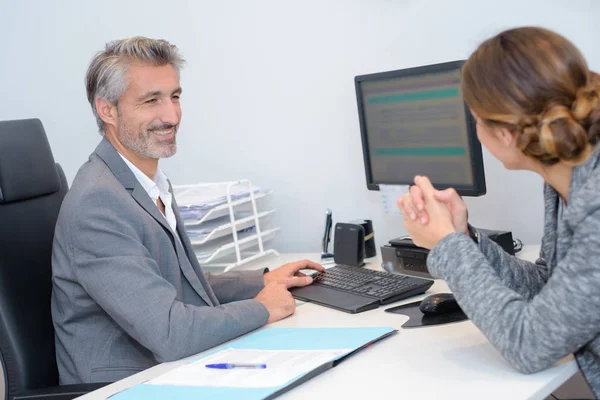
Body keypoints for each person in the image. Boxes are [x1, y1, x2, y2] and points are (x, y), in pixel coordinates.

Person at [50, 37, 324, 384]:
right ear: (108, 110)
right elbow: (170, 333)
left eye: (174, 96)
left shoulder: (145, 181)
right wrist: (262, 307)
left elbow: (173, 282)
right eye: (151, 101)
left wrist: (261, 281)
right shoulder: (98, 203)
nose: (171, 115)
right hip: (127, 385)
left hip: (169, 370)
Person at [398, 27, 600, 398]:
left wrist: (447, 247)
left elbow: (530, 345)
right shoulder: (567, 177)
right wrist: (467, 240)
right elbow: (553, 287)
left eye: (475, 119)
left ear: (506, 133)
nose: (475, 131)